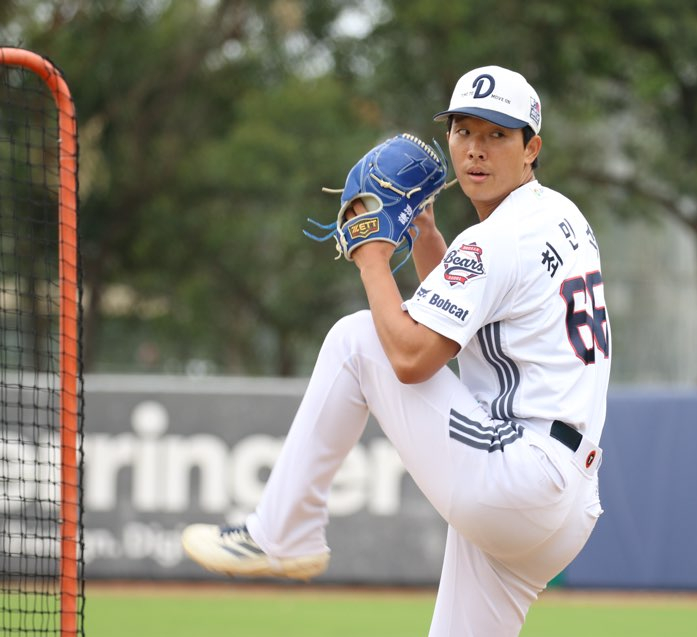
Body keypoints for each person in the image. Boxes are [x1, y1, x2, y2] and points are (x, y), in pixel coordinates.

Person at [182, 64, 612, 637]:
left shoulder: (494, 239)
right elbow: (469, 333)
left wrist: (372, 256)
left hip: (519, 473)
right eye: (464, 131)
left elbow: (411, 359)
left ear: (531, 148)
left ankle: (283, 533)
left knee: (356, 340)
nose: (476, 151)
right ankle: (284, 531)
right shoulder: (559, 216)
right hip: (565, 499)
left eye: (497, 135)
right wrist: (428, 241)